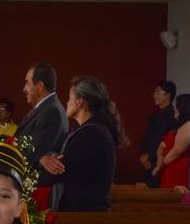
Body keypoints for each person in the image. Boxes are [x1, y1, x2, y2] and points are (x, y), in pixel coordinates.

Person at [39, 76, 127, 211]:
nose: (67, 103)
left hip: (84, 213)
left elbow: (59, 171)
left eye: (69, 98)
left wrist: (34, 173)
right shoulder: (93, 130)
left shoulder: (90, 134)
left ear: (79, 102)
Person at [17, 62, 69, 209]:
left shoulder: (50, 111)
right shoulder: (44, 108)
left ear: (39, 86)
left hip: (37, 189)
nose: (24, 89)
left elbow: (34, 149)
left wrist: (39, 157)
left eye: (27, 83)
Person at [153, 94, 190, 189]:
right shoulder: (177, 126)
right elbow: (162, 145)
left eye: (176, 106)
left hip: (179, 170)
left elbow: (177, 151)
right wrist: (160, 156)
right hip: (168, 168)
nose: (174, 109)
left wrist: (160, 166)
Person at [140, 81, 177, 187]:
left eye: (158, 92)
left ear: (168, 95)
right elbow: (147, 136)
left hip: (158, 161)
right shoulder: (155, 114)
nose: (154, 95)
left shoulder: (171, 115)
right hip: (147, 160)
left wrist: (150, 156)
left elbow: (162, 139)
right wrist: (142, 154)